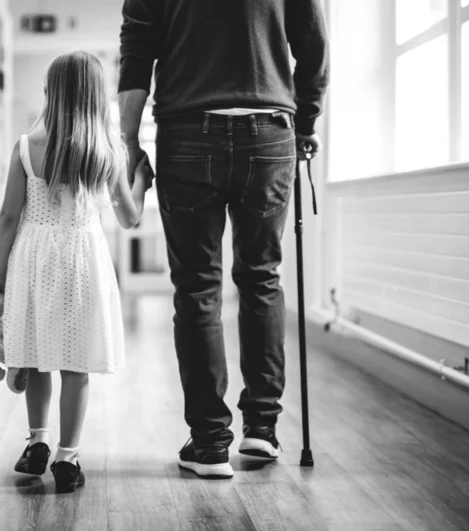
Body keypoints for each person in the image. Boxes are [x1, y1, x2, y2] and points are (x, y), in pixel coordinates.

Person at [118, 0, 330, 479]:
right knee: (261, 279)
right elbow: (314, 47)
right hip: (270, 130)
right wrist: (307, 122)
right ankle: (262, 430)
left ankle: (211, 443)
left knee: (196, 289)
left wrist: (128, 143)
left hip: (187, 134)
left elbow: (137, 53)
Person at [0, 51, 149, 493]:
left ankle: (37, 441)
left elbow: (7, 218)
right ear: (97, 96)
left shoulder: (26, 146)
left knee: (36, 356)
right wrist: (141, 182)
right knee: (75, 364)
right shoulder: (106, 150)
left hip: (32, 257)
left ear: (50, 93)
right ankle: (67, 457)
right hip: (82, 259)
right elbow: (130, 218)